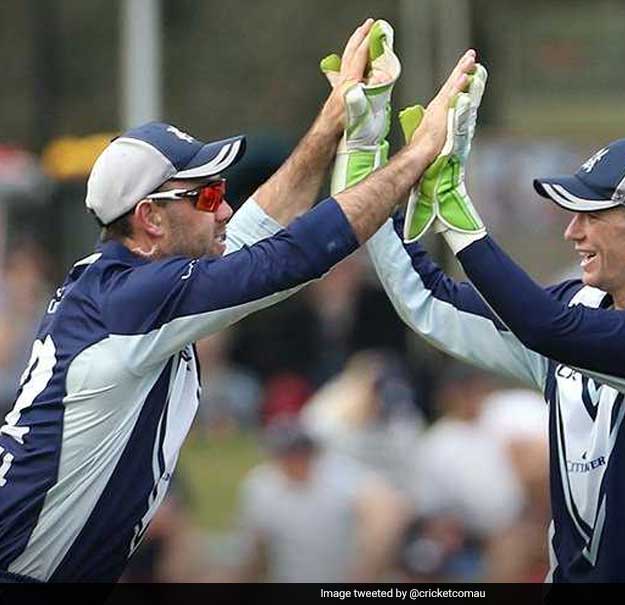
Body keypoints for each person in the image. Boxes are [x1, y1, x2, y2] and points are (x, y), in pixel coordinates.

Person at [0, 17, 480, 581]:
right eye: (206, 195)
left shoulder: (131, 281)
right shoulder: (137, 299)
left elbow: (262, 231)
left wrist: (332, 122)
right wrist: (419, 153)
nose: (224, 209)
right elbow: (295, 255)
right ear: (150, 218)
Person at [364, 132, 625, 581]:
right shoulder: (577, 312)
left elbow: (545, 327)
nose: (573, 231)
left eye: (593, 214)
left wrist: (456, 217)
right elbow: (430, 300)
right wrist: (369, 178)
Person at [234, 420, 407, 582]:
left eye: (301, 453)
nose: (296, 461)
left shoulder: (341, 478)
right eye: (289, 454)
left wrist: (367, 568)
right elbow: (255, 547)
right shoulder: (261, 485)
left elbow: (387, 510)